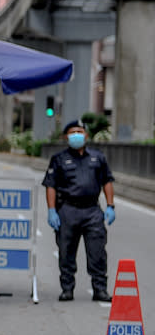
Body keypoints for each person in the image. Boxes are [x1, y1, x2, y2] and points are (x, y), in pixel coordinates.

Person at [42, 118, 115, 302]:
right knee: (66, 252)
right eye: (72, 132)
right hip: (68, 210)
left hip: (92, 211)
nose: (76, 135)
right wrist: (52, 210)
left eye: (79, 132)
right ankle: (67, 288)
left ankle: (100, 289)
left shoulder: (97, 157)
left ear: (86, 135)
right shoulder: (59, 159)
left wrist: (110, 205)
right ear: (66, 136)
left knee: (97, 252)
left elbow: (107, 181)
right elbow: (51, 186)